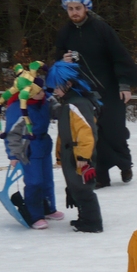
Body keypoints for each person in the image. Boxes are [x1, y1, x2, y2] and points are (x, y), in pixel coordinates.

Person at [55, 0, 137, 188]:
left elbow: (119, 57)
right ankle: (100, 176)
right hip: (83, 91)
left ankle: (124, 165)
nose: (74, 12)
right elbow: (57, 60)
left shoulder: (101, 29)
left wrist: (124, 84)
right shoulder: (64, 33)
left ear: (86, 7)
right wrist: (62, 61)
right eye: (70, 9)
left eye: (78, 7)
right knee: (91, 133)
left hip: (110, 89)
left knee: (115, 131)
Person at [45, 61, 103, 233]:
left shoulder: (77, 104)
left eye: (57, 86)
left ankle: (92, 222)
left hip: (79, 155)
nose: (55, 90)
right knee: (75, 187)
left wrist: (84, 157)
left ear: (69, 83)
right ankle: (83, 217)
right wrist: (59, 154)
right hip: (70, 154)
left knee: (83, 188)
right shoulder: (67, 103)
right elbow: (65, 132)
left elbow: (86, 132)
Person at [1, 85, 63, 229]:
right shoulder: (18, 108)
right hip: (28, 147)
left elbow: (58, 112)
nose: (43, 93)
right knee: (34, 181)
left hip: (44, 144)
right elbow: (12, 133)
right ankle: (35, 215)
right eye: (38, 92)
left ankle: (48, 208)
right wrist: (13, 154)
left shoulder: (46, 101)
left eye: (42, 90)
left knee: (47, 179)